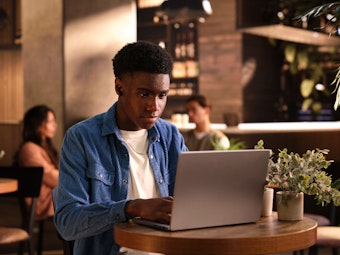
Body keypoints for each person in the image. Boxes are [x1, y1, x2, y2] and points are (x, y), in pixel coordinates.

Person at [53, 41, 188, 255]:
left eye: (162, 95)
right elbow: (67, 222)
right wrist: (132, 208)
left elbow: (191, 203)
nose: (154, 106)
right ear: (119, 87)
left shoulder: (170, 136)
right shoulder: (82, 138)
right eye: (145, 94)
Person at [15, 105, 59, 220]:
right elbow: (52, 177)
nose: (55, 125)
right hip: (41, 201)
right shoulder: (29, 149)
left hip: (53, 195)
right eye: (51, 121)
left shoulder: (45, 147)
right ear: (38, 124)